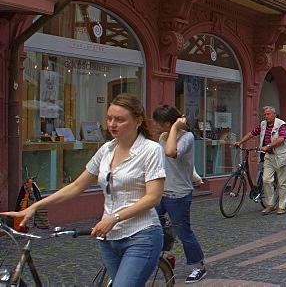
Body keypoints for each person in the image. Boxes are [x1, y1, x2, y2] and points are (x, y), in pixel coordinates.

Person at [3, 94, 166, 285]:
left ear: (137, 121)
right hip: (108, 239)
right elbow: (77, 186)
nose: (112, 124)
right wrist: (35, 206)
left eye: (120, 120)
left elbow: (153, 198)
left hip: (141, 235)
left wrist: (114, 218)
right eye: (109, 118)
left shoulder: (151, 150)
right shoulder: (107, 149)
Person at [151, 105, 206, 283]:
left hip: (178, 193)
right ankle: (155, 261)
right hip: (160, 191)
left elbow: (170, 152)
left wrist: (175, 128)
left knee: (184, 232)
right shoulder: (163, 136)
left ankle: (199, 266)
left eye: (158, 123)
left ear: (168, 123)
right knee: (148, 226)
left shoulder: (186, 137)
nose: (155, 126)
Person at [233, 105, 286, 214]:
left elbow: (281, 138)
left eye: (268, 114)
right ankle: (270, 204)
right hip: (268, 156)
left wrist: (268, 146)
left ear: (274, 114)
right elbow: (252, 133)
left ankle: (282, 206)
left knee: (282, 183)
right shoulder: (263, 124)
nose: (266, 116)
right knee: (266, 180)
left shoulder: (281, 124)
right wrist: (240, 142)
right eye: (265, 114)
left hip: (281, 156)